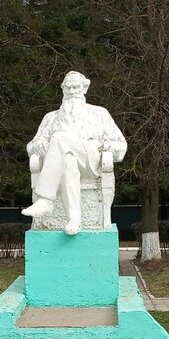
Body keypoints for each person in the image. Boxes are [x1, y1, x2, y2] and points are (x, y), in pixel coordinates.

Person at [21, 71, 127, 235]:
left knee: (59, 138)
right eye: (68, 88)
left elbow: (121, 147)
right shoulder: (51, 117)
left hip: (90, 161)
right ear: (63, 89)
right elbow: (31, 146)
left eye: (76, 87)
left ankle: (45, 199)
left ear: (85, 88)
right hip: (66, 164)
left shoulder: (99, 114)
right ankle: (74, 219)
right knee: (68, 161)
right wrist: (38, 145)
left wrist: (100, 145)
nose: (71, 92)